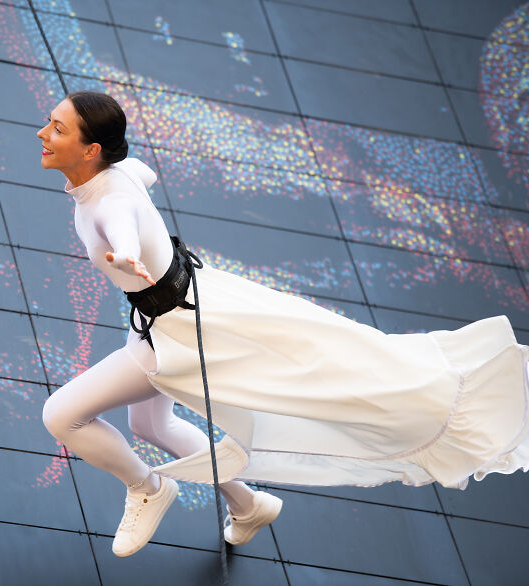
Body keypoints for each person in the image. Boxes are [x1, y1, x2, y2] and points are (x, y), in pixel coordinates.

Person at [38, 91, 529, 558]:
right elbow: (138, 175)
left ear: (91, 150)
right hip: (182, 305)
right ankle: (250, 506)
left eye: (58, 128)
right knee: (150, 421)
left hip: (174, 333)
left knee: (62, 416)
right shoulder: (115, 173)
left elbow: (121, 216)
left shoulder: (107, 203)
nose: (43, 132)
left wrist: (125, 248)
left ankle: (149, 488)